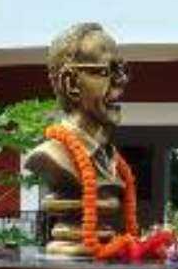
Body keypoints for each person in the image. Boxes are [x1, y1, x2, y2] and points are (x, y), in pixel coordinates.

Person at [24, 22, 133, 256]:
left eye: (122, 69)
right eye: (107, 71)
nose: (121, 81)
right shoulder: (51, 156)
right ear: (71, 83)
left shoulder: (109, 157)